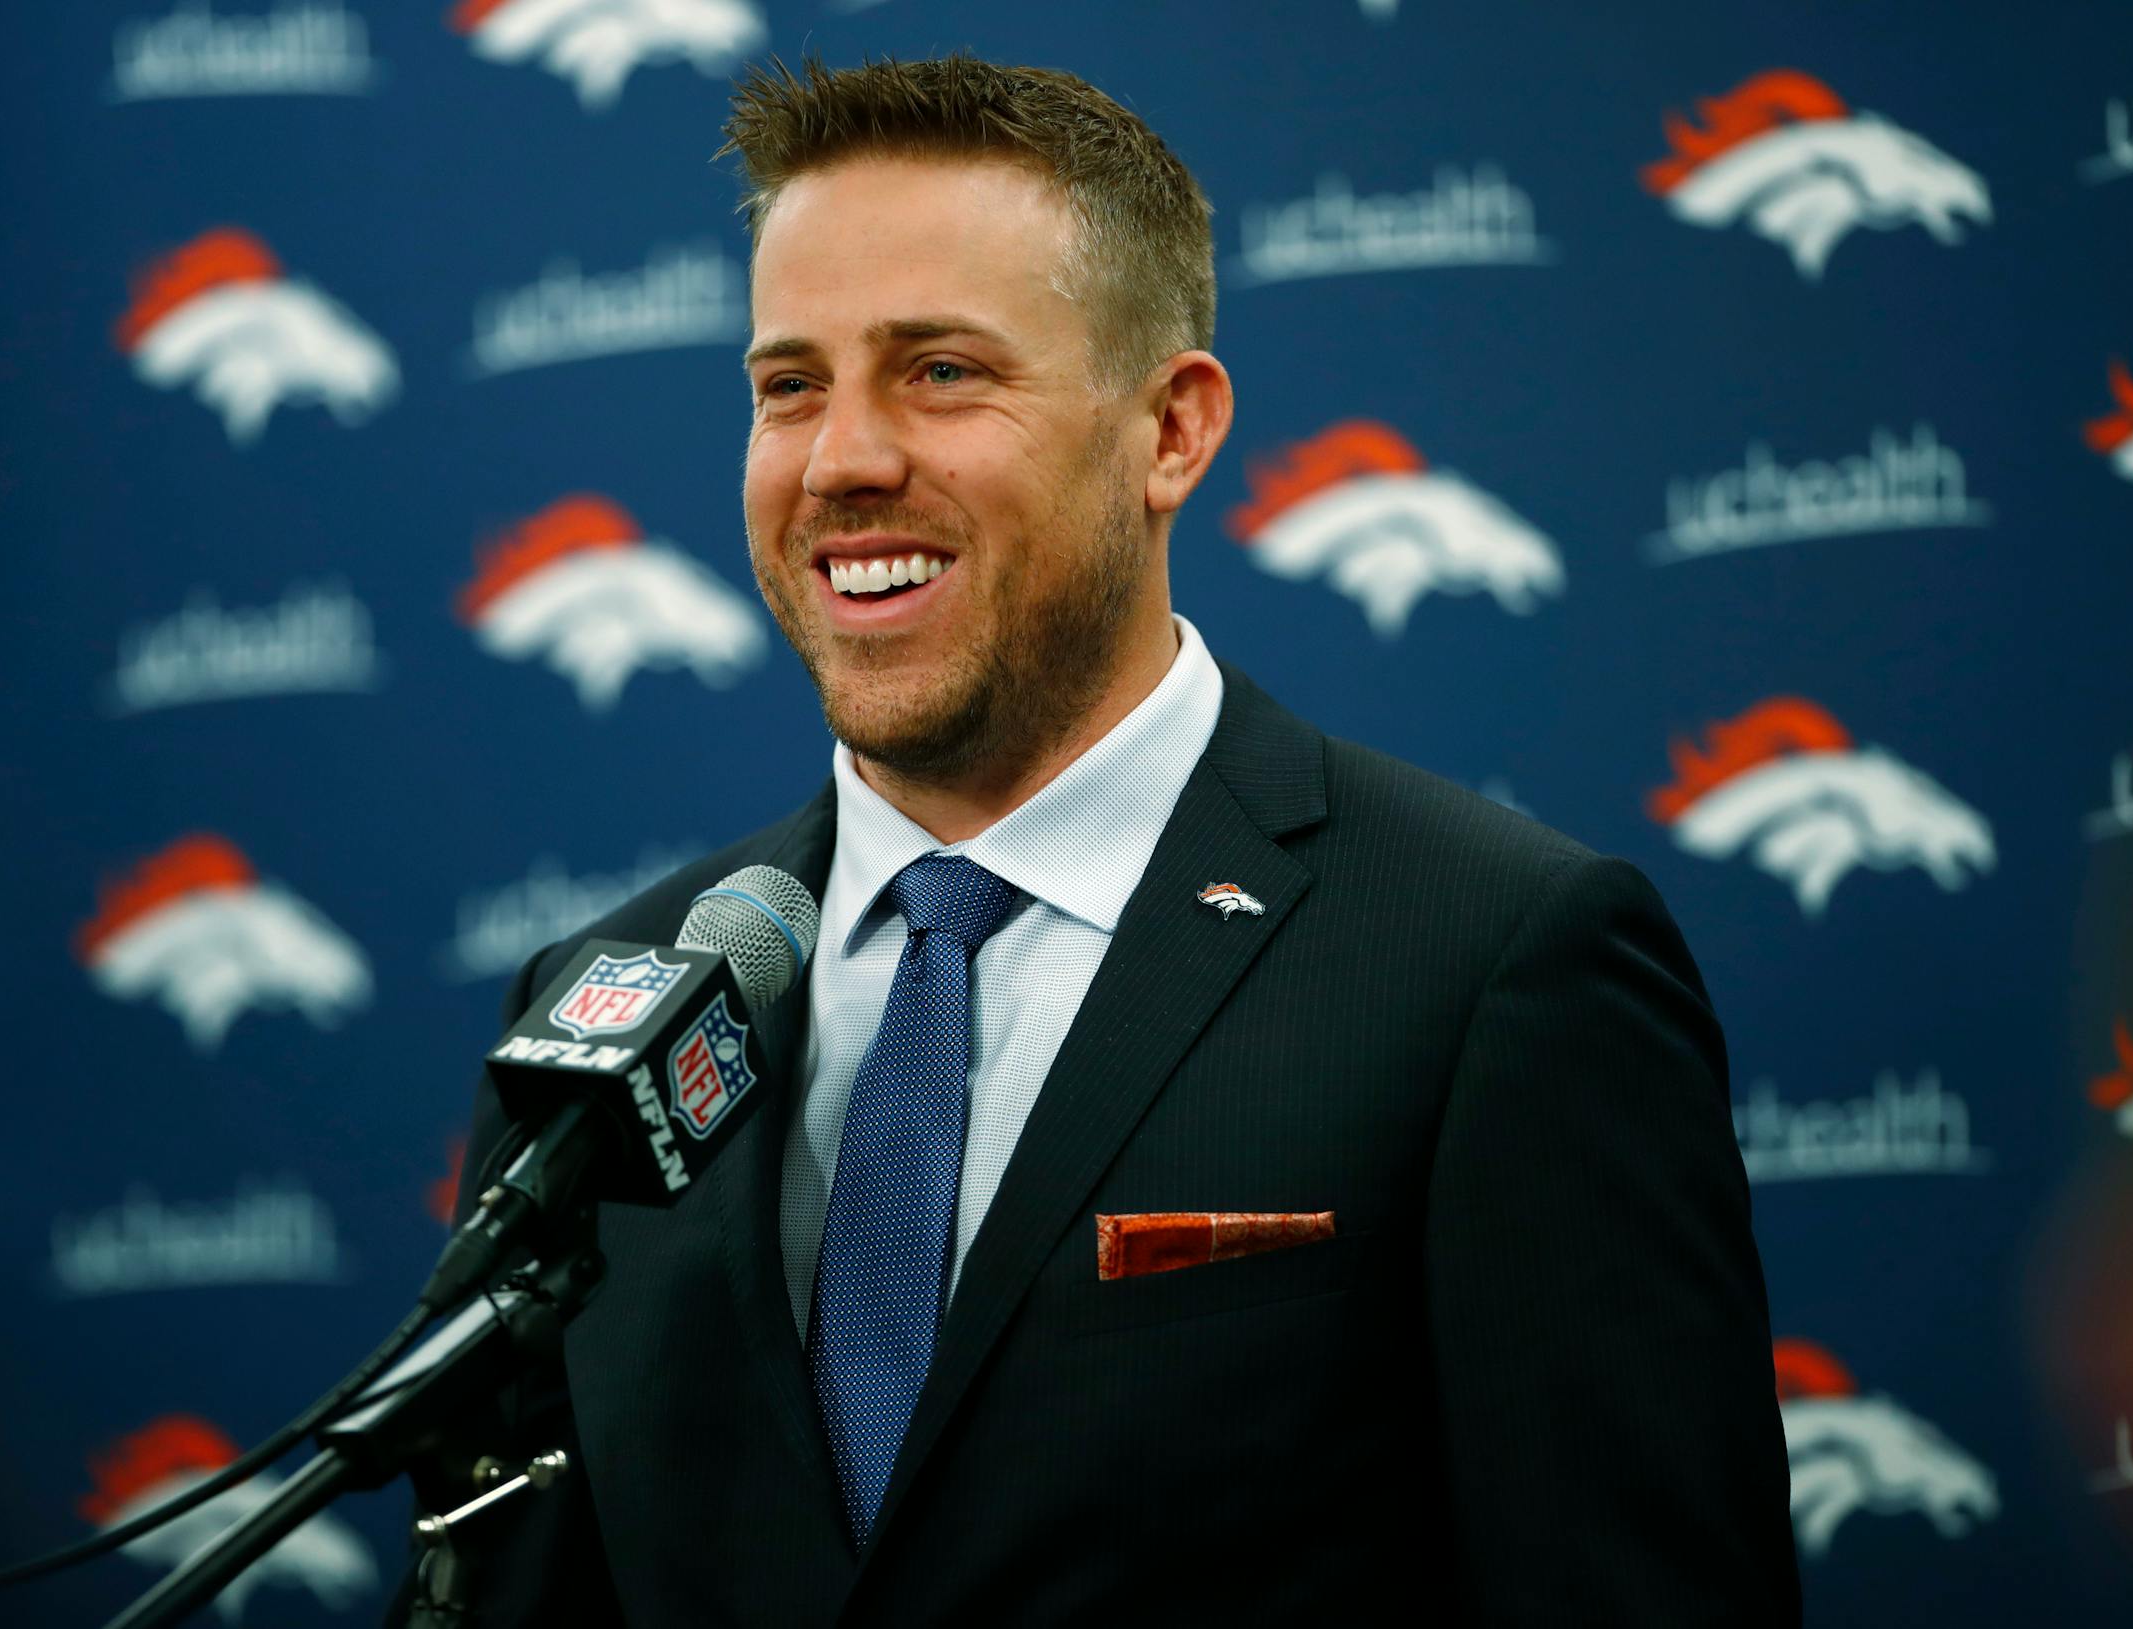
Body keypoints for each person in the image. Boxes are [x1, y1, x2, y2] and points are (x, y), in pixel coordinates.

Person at [399, 54, 1800, 1627]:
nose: (842, 459)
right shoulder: (609, 1003)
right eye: (790, 384)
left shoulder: (1490, 961)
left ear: (1172, 432)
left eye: (939, 371)